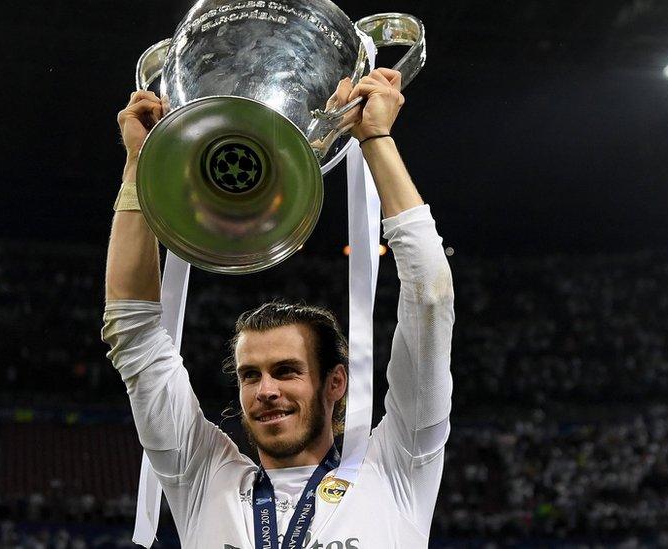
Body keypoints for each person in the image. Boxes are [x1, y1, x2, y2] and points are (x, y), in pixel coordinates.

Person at [103, 68, 455, 548]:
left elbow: (430, 298)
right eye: (251, 375)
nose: (265, 390)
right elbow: (133, 331)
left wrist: (374, 138)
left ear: (335, 381)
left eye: (287, 371)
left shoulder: (397, 468)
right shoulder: (203, 476)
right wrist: (139, 164)